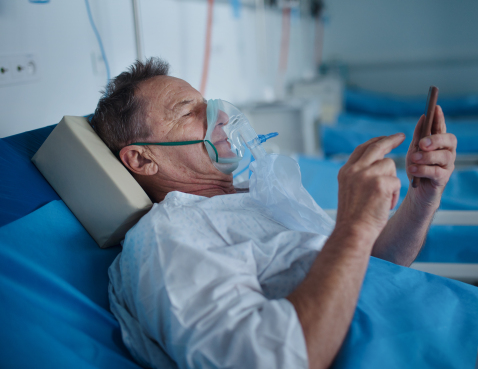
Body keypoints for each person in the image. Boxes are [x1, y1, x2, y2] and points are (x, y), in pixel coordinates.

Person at [91, 58, 458, 369]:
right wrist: (355, 224)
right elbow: (272, 360)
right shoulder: (167, 237)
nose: (220, 117)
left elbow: (372, 266)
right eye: (188, 111)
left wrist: (423, 197)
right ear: (142, 158)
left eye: (208, 103)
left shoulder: (257, 196)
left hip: (440, 336)